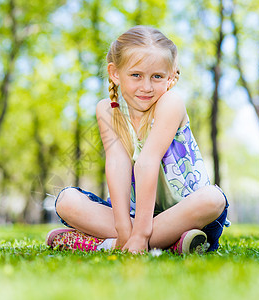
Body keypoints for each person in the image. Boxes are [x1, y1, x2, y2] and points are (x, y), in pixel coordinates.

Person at [46, 26, 229, 254]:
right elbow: (117, 164)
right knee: (66, 201)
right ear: (115, 73)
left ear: (170, 77)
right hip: (134, 216)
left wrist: (141, 233)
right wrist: (124, 228)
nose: (146, 87)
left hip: (185, 213)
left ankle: (108, 244)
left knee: (213, 199)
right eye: (136, 75)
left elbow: (147, 162)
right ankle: (166, 243)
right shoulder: (109, 110)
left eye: (157, 77)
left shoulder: (170, 103)